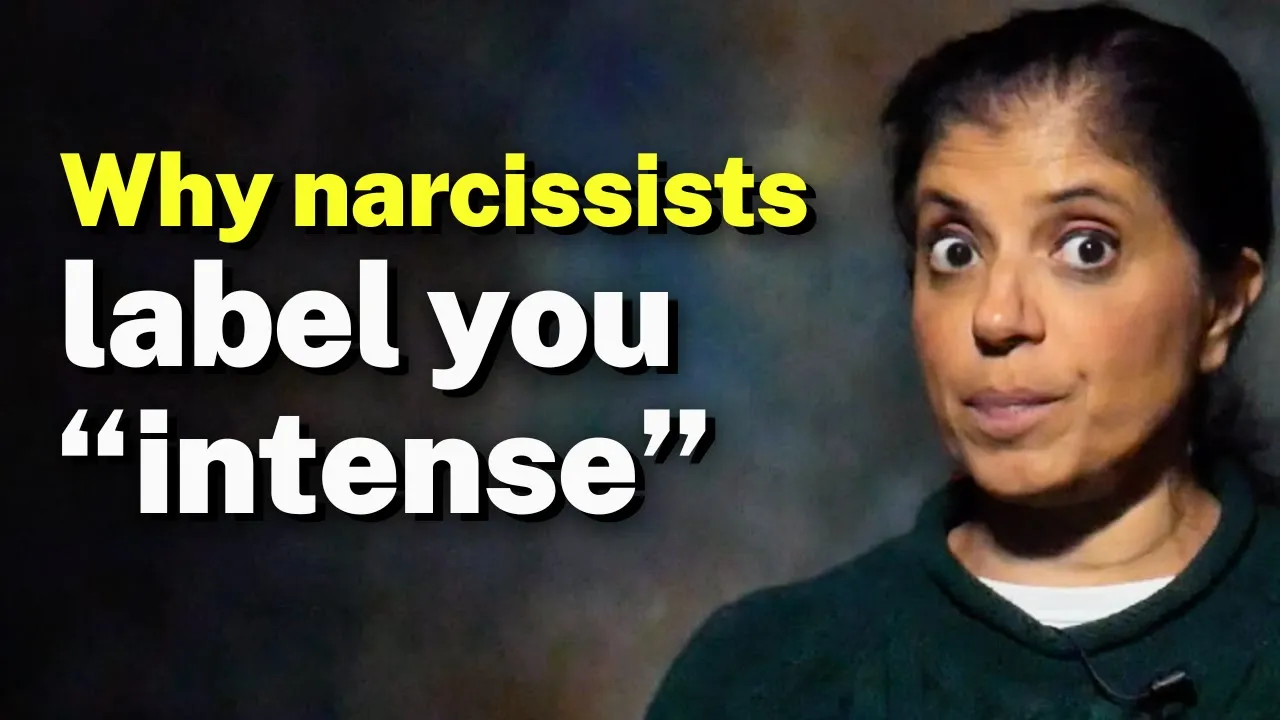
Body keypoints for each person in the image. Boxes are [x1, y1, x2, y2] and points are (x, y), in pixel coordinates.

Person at [645, 3, 1277, 718]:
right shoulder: (764, 673)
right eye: (955, 250)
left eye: (1086, 248)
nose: (996, 318)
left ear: (1222, 304)